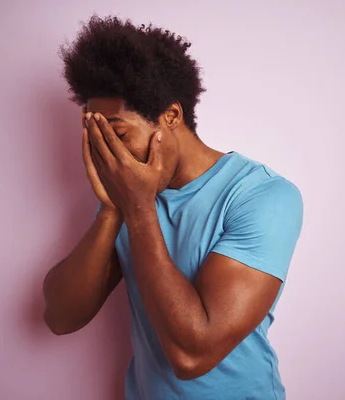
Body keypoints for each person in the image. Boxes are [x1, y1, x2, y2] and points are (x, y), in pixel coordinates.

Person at [43, 14, 303, 400]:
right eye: (94, 138)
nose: (105, 154)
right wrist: (114, 210)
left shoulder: (263, 196)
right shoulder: (130, 200)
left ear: (170, 117)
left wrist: (137, 208)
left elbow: (193, 354)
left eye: (116, 135)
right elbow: (61, 317)